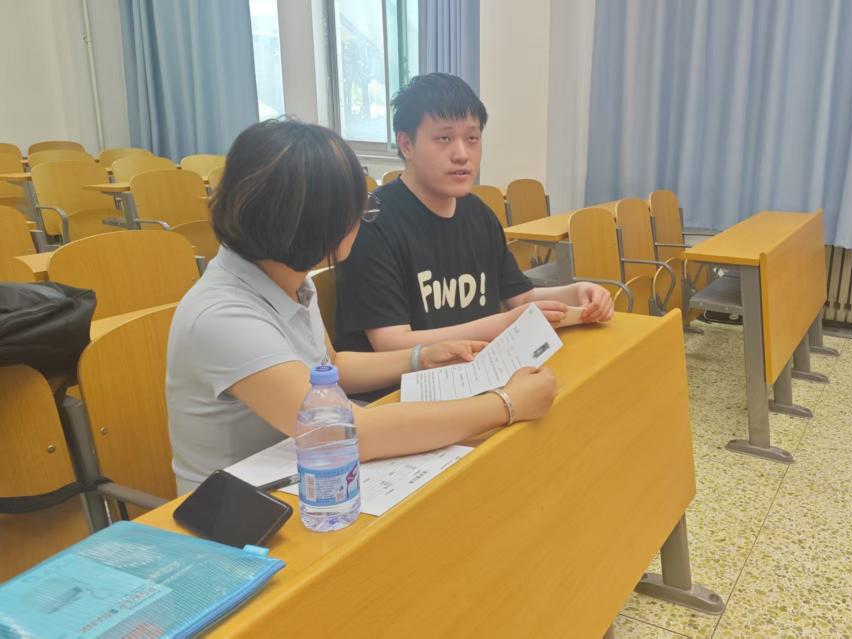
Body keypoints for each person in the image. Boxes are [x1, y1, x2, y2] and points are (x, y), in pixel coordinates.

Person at [166, 118, 556, 494]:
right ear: (311, 224)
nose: (361, 220)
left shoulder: (288, 276)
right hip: (241, 509)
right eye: (356, 210)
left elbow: (329, 367)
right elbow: (347, 432)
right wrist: (506, 404)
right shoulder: (224, 316)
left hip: (304, 474)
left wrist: (420, 357)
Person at [334, 73, 614, 368]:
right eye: (444, 138)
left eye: (472, 138)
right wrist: (504, 324)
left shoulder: (478, 214)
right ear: (406, 144)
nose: (462, 154)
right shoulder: (373, 224)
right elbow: (391, 343)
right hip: (408, 386)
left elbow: (521, 298)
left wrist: (576, 294)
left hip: (479, 371)